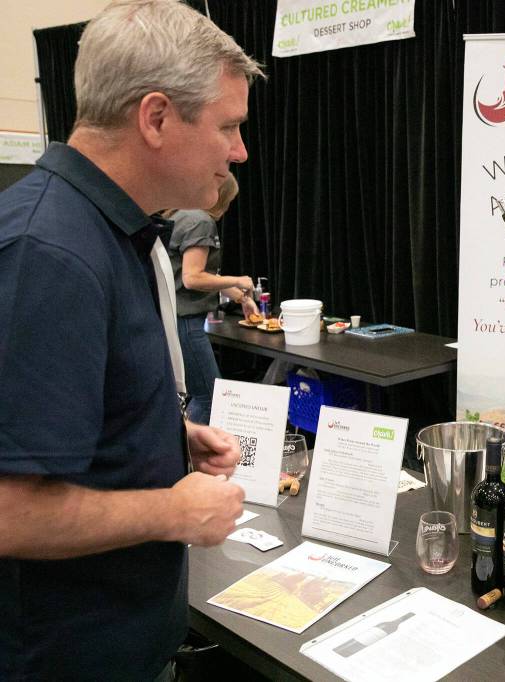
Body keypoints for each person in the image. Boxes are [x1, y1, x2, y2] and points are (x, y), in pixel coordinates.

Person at [0, 1, 264, 679]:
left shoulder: (105, 232)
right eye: (227, 127)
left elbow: (61, 424)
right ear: (155, 118)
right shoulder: (49, 251)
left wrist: (164, 432)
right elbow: (9, 511)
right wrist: (171, 511)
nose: (238, 151)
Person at [167, 172, 259, 424]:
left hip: (175, 321)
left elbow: (199, 273)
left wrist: (241, 298)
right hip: (186, 322)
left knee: (201, 396)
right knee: (211, 400)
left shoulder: (182, 214)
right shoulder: (200, 221)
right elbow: (192, 278)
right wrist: (237, 280)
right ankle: (186, 458)